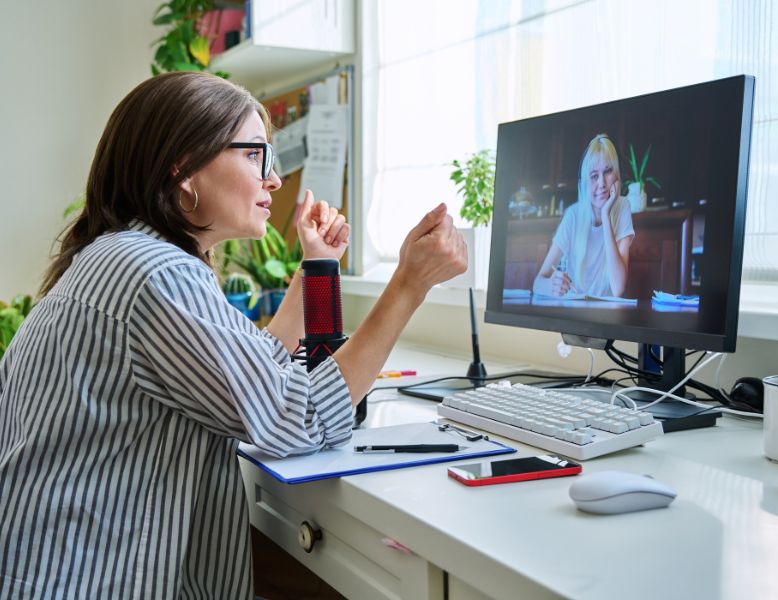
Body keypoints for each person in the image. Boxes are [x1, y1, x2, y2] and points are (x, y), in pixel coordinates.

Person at [0, 72, 467, 599]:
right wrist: (408, 284)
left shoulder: (120, 255)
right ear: (183, 168)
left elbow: (251, 371)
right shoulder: (156, 274)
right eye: (255, 156)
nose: (273, 179)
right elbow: (300, 416)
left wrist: (316, 268)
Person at [532, 134, 634, 298]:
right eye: (594, 176)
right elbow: (537, 283)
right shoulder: (573, 215)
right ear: (585, 182)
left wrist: (605, 215)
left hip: (607, 316)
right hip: (575, 311)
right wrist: (551, 286)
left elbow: (618, 288)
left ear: (617, 175)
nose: (602, 184)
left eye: (607, 172)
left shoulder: (623, 206)